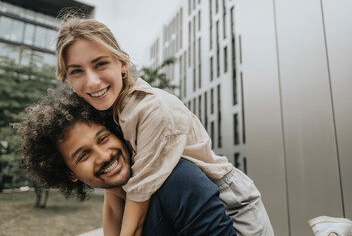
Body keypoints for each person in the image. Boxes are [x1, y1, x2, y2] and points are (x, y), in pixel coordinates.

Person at [55, 15, 274, 236]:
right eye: (77, 71)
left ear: (122, 63)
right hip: (180, 205)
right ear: (68, 80)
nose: (92, 81)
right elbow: (112, 200)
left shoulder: (154, 110)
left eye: (100, 64)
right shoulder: (105, 113)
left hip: (229, 203)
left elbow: (138, 203)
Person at [17, 89, 236, 236]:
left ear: (116, 132)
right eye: (83, 155)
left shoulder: (178, 180)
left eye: (103, 139)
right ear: (69, 173)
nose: (104, 156)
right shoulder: (116, 201)